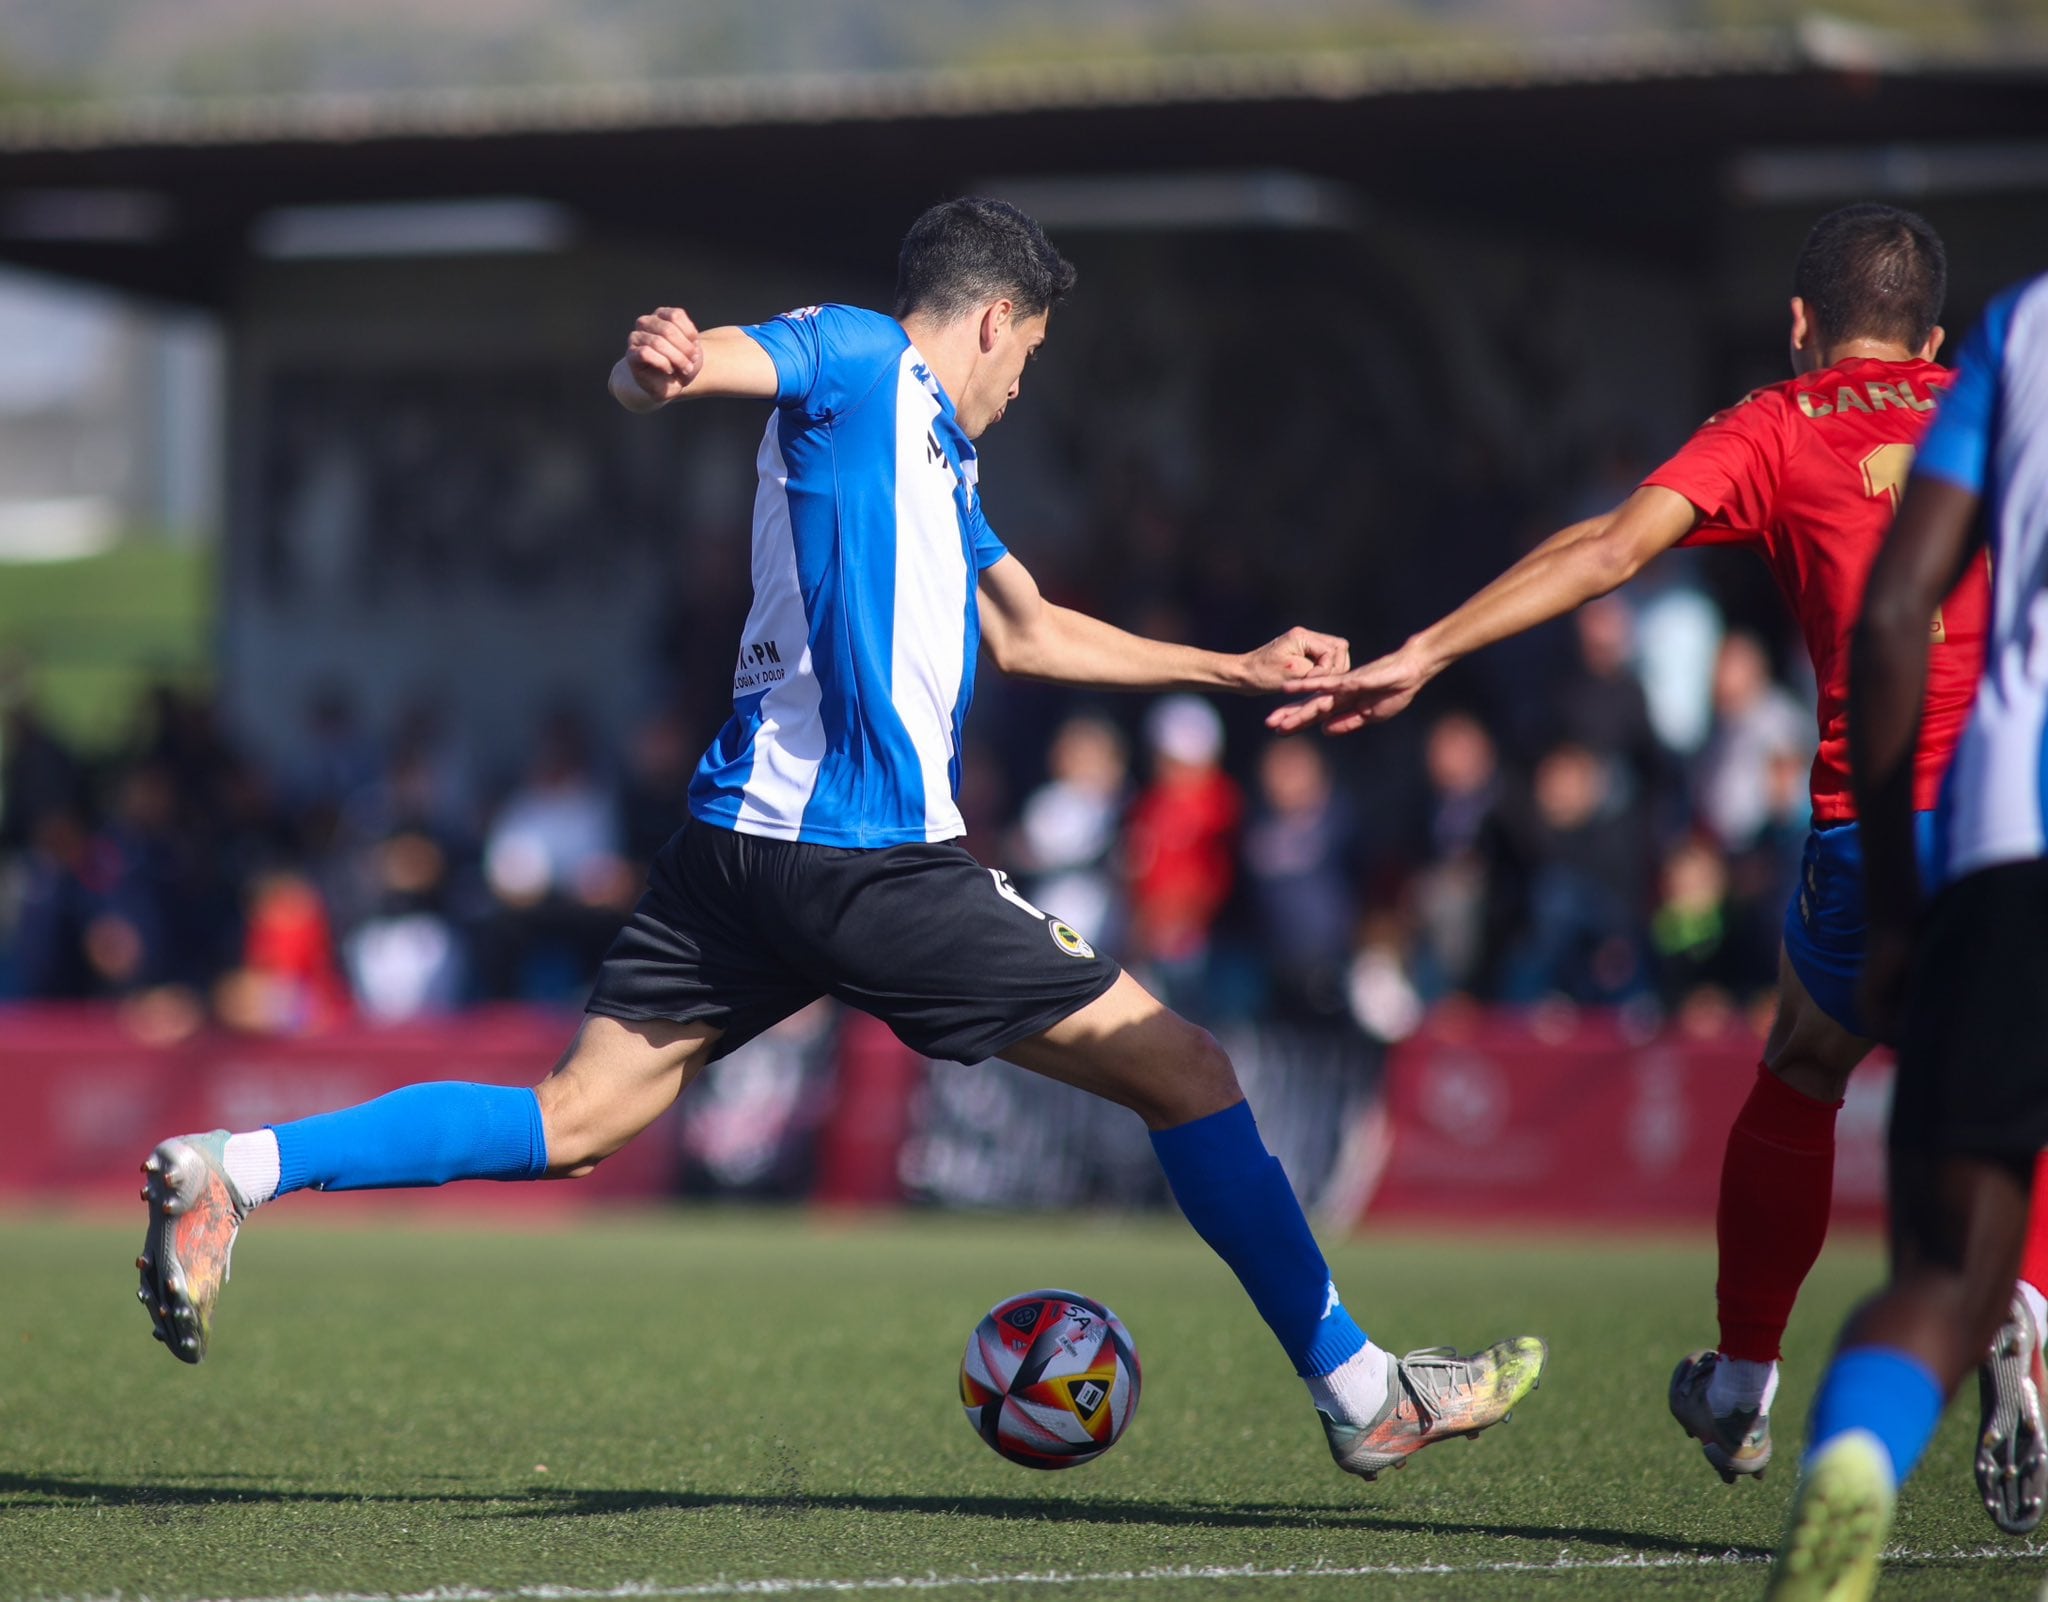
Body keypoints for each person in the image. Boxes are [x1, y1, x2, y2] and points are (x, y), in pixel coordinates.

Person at [135, 197, 1544, 1483]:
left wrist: (1238, 669)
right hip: (864, 858)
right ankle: (1363, 1391)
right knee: (1188, 1069)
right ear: (995, 320)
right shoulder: (868, 357)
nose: (1018, 384)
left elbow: (1034, 630)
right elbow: (711, 366)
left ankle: (236, 1168)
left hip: (735, 850)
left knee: (578, 1118)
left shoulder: (937, 456)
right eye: (1029, 357)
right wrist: (662, 364)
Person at [1270, 203, 2011, 1491]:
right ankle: (2031, 1317)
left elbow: (1611, 549)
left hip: (1875, 822)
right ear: (1934, 336)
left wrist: (1426, 652)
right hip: (2025, 814)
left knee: (1803, 1066)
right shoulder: (1999, 401)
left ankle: (1740, 1381)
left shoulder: (1779, 423)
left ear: (1799, 328)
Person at [1763, 272, 2048, 1598]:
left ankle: (1860, 1463)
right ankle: (2034, 1310)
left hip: (2004, 821)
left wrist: (1887, 887)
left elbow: (1890, 615)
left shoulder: (2021, 328)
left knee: (1941, 1270)